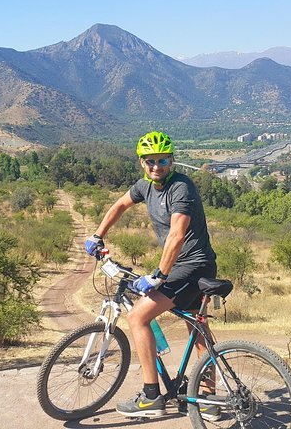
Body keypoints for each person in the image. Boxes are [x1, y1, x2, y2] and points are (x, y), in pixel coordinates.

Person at [84, 130, 219, 420]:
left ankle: (151, 396)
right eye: (150, 161)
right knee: (197, 328)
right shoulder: (145, 186)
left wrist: (158, 276)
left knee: (137, 317)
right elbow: (120, 205)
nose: (156, 166)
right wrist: (97, 235)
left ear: (172, 161)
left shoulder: (181, 188)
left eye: (162, 160)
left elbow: (176, 235)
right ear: (142, 164)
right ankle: (209, 400)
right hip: (192, 266)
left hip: (192, 266)